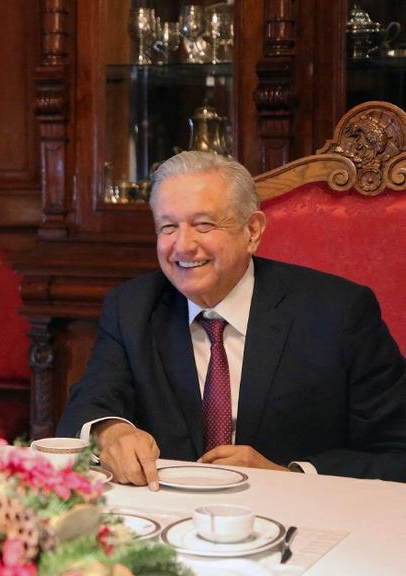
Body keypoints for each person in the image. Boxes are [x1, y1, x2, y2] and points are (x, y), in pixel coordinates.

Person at [57, 151, 406, 488]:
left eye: (203, 225)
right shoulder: (131, 308)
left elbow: (397, 450)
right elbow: (87, 405)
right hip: (167, 513)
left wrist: (288, 475)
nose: (183, 245)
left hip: (299, 514)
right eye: (168, 227)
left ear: (252, 231)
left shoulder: (338, 312)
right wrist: (110, 431)